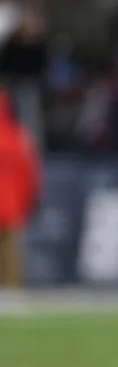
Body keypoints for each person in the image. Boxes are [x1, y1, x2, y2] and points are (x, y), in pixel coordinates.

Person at [0, 89, 41, 288]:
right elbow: (30, 175)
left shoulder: (19, 137)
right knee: (12, 264)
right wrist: (28, 203)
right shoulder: (19, 137)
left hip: (10, 208)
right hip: (11, 209)